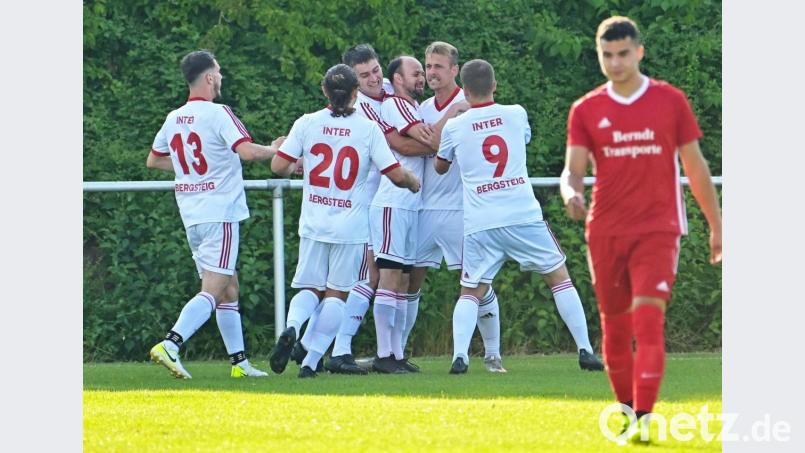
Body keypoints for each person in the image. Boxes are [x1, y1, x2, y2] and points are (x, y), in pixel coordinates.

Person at [560, 17, 722, 444]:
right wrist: (569, 194)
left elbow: (696, 167)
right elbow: (572, 172)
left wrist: (717, 226)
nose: (615, 63)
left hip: (658, 228)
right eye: (607, 55)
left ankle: (647, 415)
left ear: (639, 52)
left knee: (648, 318)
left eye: (623, 54)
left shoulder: (669, 101)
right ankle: (628, 410)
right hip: (606, 230)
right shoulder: (586, 109)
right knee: (615, 326)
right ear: (600, 56)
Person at [435, 59, 593, 375]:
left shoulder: (454, 126)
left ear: (464, 90)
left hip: (481, 221)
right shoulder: (516, 113)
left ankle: (460, 357)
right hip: (522, 215)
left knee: (471, 291)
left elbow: (441, 166)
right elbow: (522, 141)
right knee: (559, 278)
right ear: (494, 85)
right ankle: (586, 350)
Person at [269, 64, 420, 378]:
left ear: (324, 91)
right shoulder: (367, 128)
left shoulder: (307, 123)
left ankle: (293, 326)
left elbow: (278, 166)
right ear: (355, 93)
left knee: (310, 287)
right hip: (350, 227)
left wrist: (298, 159)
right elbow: (394, 174)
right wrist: (412, 181)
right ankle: (310, 363)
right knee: (338, 294)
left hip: (313, 222)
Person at [146, 50, 283, 379]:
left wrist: (193, 170)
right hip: (219, 212)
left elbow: (155, 159)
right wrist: (277, 149)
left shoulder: (173, 117)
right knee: (214, 288)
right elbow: (248, 152)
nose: (221, 78)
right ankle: (171, 343)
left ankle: (240, 364)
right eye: (218, 73)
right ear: (209, 77)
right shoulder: (220, 113)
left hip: (192, 214)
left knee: (229, 287)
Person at [322, 44, 439, 374]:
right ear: (354, 81)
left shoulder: (390, 90)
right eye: (365, 75)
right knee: (372, 276)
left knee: (388, 277)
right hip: (371, 196)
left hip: (394, 196)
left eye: (376, 70)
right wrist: (438, 141)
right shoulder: (363, 108)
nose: (375, 78)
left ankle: (349, 351)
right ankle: (339, 350)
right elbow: (399, 144)